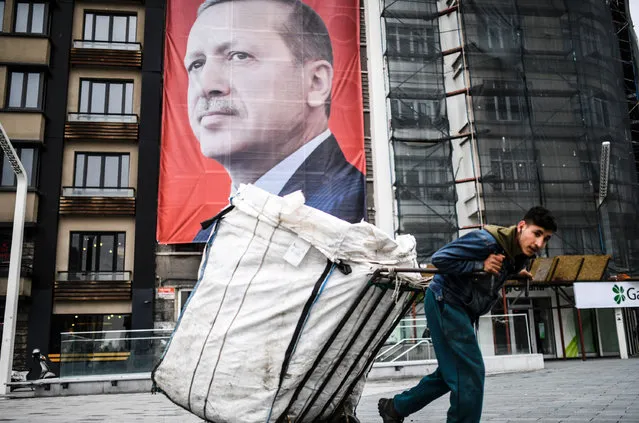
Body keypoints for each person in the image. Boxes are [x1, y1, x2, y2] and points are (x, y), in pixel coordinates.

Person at [185, 0, 366, 241]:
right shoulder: (209, 234)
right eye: (197, 64)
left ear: (315, 82)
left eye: (239, 56)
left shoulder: (349, 213)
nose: (207, 85)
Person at [378, 206, 557, 423]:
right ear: (521, 226)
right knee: (470, 372)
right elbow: (441, 258)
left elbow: (498, 267)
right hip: (446, 301)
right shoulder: (486, 241)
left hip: (462, 308)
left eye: (545, 239)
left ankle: (395, 407)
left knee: (449, 373)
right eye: (536, 233)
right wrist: (479, 264)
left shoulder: (515, 253)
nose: (539, 244)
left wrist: (515, 272)